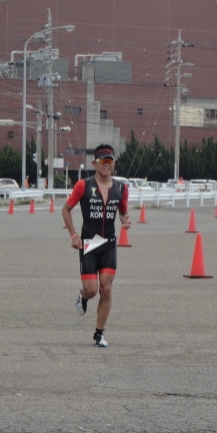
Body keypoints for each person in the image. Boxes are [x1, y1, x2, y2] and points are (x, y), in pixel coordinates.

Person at [62, 144, 131, 347]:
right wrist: (74, 235)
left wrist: (125, 220)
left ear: (114, 164)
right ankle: (83, 297)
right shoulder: (83, 185)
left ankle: (99, 334)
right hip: (90, 243)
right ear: (95, 163)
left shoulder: (121, 188)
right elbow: (66, 210)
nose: (107, 164)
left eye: (110, 160)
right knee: (92, 290)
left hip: (109, 243)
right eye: (103, 161)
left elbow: (123, 211)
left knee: (106, 288)